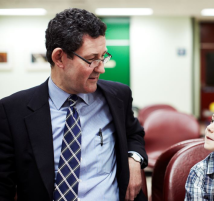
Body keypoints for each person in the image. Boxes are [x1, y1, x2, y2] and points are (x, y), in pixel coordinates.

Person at [0, 8, 148, 201]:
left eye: (103, 56)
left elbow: (133, 134)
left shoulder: (118, 96)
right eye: (92, 59)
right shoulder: (12, 112)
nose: (102, 68)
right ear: (59, 58)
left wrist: (134, 159)